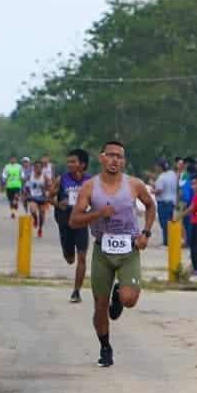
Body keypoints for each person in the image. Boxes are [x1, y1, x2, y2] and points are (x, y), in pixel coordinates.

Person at [69, 140, 156, 368]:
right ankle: (105, 347)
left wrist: (146, 232)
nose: (115, 160)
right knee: (99, 306)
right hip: (102, 251)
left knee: (129, 299)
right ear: (101, 158)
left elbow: (150, 205)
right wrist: (97, 214)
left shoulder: (134, 185)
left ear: (124, 161)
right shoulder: (90, 187)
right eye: (110, 155)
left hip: (129, 248)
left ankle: (119, 294)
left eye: (119, 156)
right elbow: (74, 220)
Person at [54, 148, 93, 303]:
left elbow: (96, 199)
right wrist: (58, 203)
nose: (69, 164)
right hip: (65, 222)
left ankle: (76, 291)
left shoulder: (90, 182)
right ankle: (67, 252)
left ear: (82, 165)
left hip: (81, 222)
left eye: (73, 162)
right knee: (70, 258)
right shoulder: (62, 179)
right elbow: (49, 197)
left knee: (82, 257)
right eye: (68, 161)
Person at [153, 158, 178, 246]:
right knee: (169, 222)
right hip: (172, 202)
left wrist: (152, 191)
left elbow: (159, 190)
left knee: (164, 223)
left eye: (157, 166)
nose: (156, 168)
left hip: (163, 203)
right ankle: (169, 240)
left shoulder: (161, 177)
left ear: (160, 167)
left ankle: (166, 241)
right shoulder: (173, 174)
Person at [25, 162, 51, 238]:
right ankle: (35, 219)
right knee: (32, 210)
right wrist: (26, 194)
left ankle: (40, 228)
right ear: (34, 168)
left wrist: (46, 188)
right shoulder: (30, 176)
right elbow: (26, 186)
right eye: (36, 167)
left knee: (42, 214)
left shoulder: (45, 177)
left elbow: (49, 187)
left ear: (42, 168)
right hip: (33, 197)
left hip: (42, 197)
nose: (38, 169)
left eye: (39, 167)